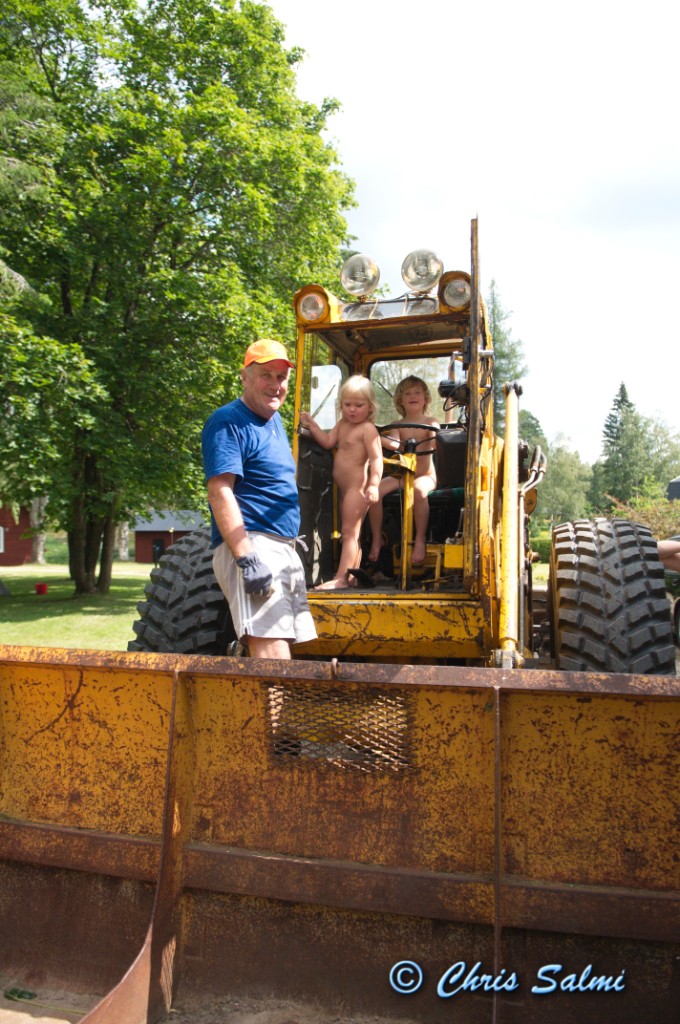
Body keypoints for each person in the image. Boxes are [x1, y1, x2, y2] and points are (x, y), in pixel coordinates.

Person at [202, 339, 317, 659]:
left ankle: (267, 708)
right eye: (266, 375)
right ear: (245, 377)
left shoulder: (275, 421)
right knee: (272, 653)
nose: (275, 385)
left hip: (283, 547)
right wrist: (246, 557)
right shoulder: (228, 421)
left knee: (280, 649)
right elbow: (219, 491)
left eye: (281, 377)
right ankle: (277, 711)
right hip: (255, 544)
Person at [300, 375, 383, 589]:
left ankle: (340, 579)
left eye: (359, 405)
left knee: (349, 533)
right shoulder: (343, 424)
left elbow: (376, 460)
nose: (352, 410)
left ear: (370, 407)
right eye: (347, 405)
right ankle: (352, 575)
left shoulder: (367, 429)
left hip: (358, 488)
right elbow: (328, 442)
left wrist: (374, 485)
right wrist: (312, 426)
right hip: (345, 489)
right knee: (351, 534)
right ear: (340, 405)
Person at [368, 375, 440, 565]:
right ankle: (377, 538)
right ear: (400, 400)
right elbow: (394, 444)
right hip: (402, 475)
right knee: (375, 490)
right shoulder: (397, 425)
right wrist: (371, 434)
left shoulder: (431, 422)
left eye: (417, 392)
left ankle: (420, 539)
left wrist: (435, 439)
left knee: (418, 490)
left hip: (425, 476)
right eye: (407, 393)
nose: (412, 396)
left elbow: (435, 440)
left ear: (425, 398)